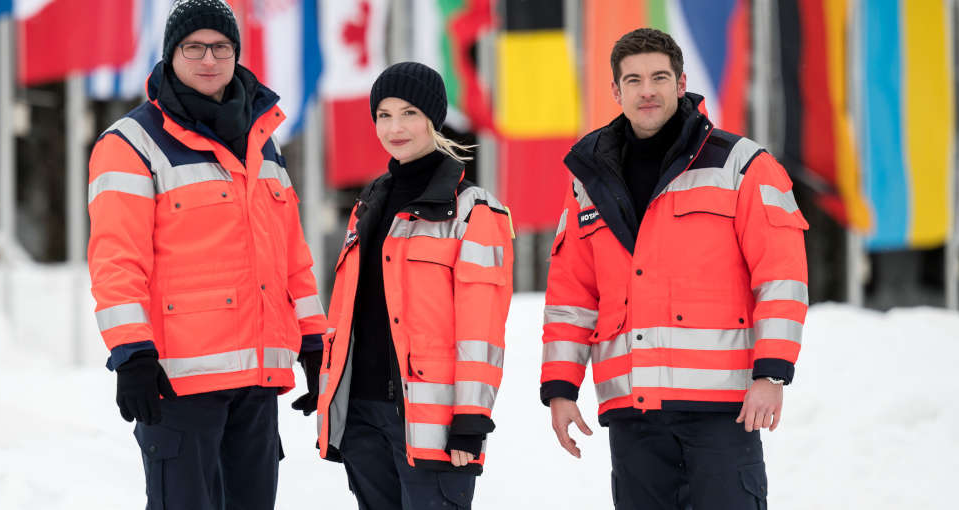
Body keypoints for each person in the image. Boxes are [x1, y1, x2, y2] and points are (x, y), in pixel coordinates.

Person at [540, 28, 809, 510]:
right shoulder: (590, 177)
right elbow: (572, 294)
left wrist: (772, 374)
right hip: (632, 411)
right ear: (615, 91)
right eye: (635, 79)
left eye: (660, 77)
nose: (648, 90)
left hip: (723, 409)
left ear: (681, 83)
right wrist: (561, 388)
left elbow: (781, 276)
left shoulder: (743, 165)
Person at [85, 1, 327, 508]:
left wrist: (312, 340)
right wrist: (131, 352)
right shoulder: (131, 143)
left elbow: (291, 257)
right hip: (178, 381)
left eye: (221, 47)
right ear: (170, 55)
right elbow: (116, 260)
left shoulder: (263, 142)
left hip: (257, 382)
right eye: (193, 47)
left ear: (236, 54)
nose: (208, 59)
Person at [313, 62, 514, 510]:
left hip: (433, 423)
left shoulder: (474, 211)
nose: (394, 127)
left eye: (408, 113)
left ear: (433, 118)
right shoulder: (367, 204)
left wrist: (472, 415)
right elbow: (350, 311)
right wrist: (328, 379)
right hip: (362, 415)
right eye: (383, 114)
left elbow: (482, 331)